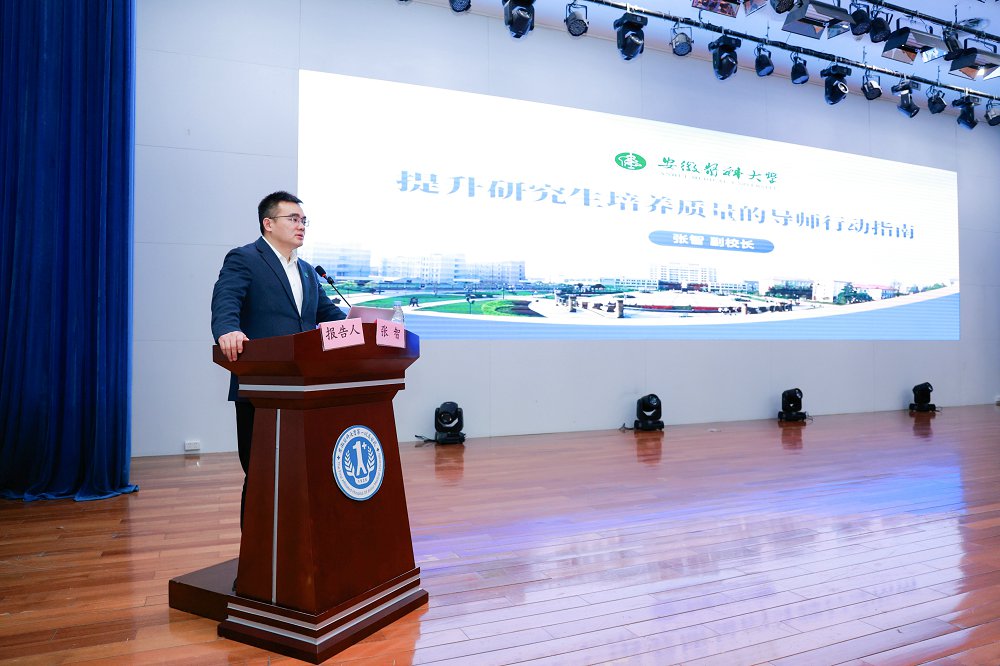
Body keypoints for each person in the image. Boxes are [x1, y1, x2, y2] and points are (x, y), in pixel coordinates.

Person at [211, 191, 346, 527]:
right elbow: (226, 299)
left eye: (304, 220)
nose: (301, 226)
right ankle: (256, 552)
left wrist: (366, 327)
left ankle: (297, 542)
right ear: (268, 223)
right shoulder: (245, 258)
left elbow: (329, 315)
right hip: (263, 386)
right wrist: (228, 329)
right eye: (293, 219)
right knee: (261, 472)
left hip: (307, 387)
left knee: (304, 471)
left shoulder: (307, 271)